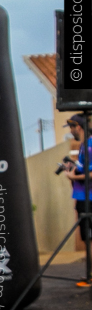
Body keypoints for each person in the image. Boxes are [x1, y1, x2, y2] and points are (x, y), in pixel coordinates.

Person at [63, 114, 92, 287]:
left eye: (72, 128)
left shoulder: (89, 146)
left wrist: (74, 176)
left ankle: (90, 275)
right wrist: (72, 169)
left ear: (78, 127)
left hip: (89, 198)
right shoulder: (83, 146)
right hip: (82, 197)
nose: (71, 131)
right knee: (87, 237)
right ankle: (88, 274)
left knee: (89, 237)